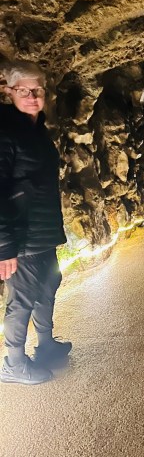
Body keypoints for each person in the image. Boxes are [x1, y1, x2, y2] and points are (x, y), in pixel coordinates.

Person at [0, 59, 71, 385]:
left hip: (42, 231)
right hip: (22, 236)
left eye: (37, 89)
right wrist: (4, 246)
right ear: (9, 91)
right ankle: (13, 364)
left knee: (47, 287)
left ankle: (45, 345)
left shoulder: (35, 130)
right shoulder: (6, 132)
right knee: (22, 300)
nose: (32, 96)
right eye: (24, 91)